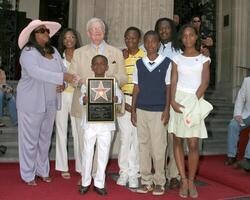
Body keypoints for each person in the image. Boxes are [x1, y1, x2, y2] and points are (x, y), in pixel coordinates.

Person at [17, 19, 76, 186]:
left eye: (47, 31)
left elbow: (63, 71)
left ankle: (42, 171)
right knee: (29, 141)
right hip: (31, 103)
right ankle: (28, 175)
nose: (46, 33)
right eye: (42, 31)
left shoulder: (55, 51)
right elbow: (37, 72)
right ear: (33, 35)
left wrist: (62, 83)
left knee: (44, 140)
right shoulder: (28, 52)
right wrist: (62, 78)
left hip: (50, 102)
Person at [69, 17, 126, 184]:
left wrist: (105, 83)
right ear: (88, 33)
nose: (97, 33)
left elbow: (123, 77)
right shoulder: (79, 53)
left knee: (103, 145)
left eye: (99, 30)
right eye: (93, 31)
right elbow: (71, 77)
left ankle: (97, 175)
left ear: (104, 31)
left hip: (106, 107)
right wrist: (85, 83)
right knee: (84, 144)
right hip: (84, 105)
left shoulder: (116, 52)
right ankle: (85, 175)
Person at [168, 24, 212, 198]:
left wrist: (194, 102)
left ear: (196, 37)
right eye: (184, 36)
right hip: (178, 99)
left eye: (191, 35)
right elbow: (173, 80)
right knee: (177, 140)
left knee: (193, 143)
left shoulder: (203, 59)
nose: (188, 38)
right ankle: (183, 180)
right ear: (181, 38)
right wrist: (172, 101)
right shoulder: (176, 58)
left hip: (195, 99)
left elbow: (205, 82)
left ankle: (192, 181)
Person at [131, 30, 171, 196]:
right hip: (141, 109)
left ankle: (159, 181)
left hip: (158, 110)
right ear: (144, 44)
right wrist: (133, 110)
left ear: (158, 44)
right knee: (143, 146)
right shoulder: (139, 63)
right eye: (147, 41)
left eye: (154, 41)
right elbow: (136, 87)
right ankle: (146, 180)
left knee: (159, 148)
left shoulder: (167, 62)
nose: (150, 45)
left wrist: (167, 109)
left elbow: (169, 88)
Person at [78, 55, 123, 196]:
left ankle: (99, 183)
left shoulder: (112, 83)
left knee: (103, 154)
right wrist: (84, 99)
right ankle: (85, 182)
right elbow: (81, 99)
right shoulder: (88, 83)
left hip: (106, 124)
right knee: (87, 153)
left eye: (102, 64)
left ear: (107, 67)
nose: (99, 66)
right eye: (96, 64)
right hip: (90, 123)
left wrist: (116, 98)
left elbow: (120, 97)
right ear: (91, 67)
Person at [116, 27, 144, 189]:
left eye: (134, 38)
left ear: (139, 40)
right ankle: (123, 172)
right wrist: (123, 102)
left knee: (137, 140)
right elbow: (115, 80)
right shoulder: (120, 57)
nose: (130, 41)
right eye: (127, 38)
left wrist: (135, 104)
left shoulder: (145, 57)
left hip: (139, 101)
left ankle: (134, 173)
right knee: (125, 138)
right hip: (123, 99)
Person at [154, 17, 181, 189]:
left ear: (172, 30)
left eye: (167, 28)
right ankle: (160, 173)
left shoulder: (180, 50)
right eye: (160, 28)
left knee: (174, 138)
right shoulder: (149, 47)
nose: (163, 31)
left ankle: (174, 174)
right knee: (158, 140)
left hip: (175, 98)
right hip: (156, 99)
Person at [55, 28, 81, 179]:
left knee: (78, 132)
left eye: (72, 37)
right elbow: (55, 75)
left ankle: (80, 166)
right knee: (61, 130)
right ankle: (63, 166)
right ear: (62, 41)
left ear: (76, 39)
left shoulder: (82, 55)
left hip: (77, 96)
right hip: (62, 96)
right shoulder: (57, 57)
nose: (69, 40)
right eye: (66, 38)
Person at [225, 77, 250, 169]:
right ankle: (231, 156)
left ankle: (248, 159)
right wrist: (237, 114)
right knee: (233, 125)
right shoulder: (247, 81)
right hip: (247, 114)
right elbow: (240, 98)